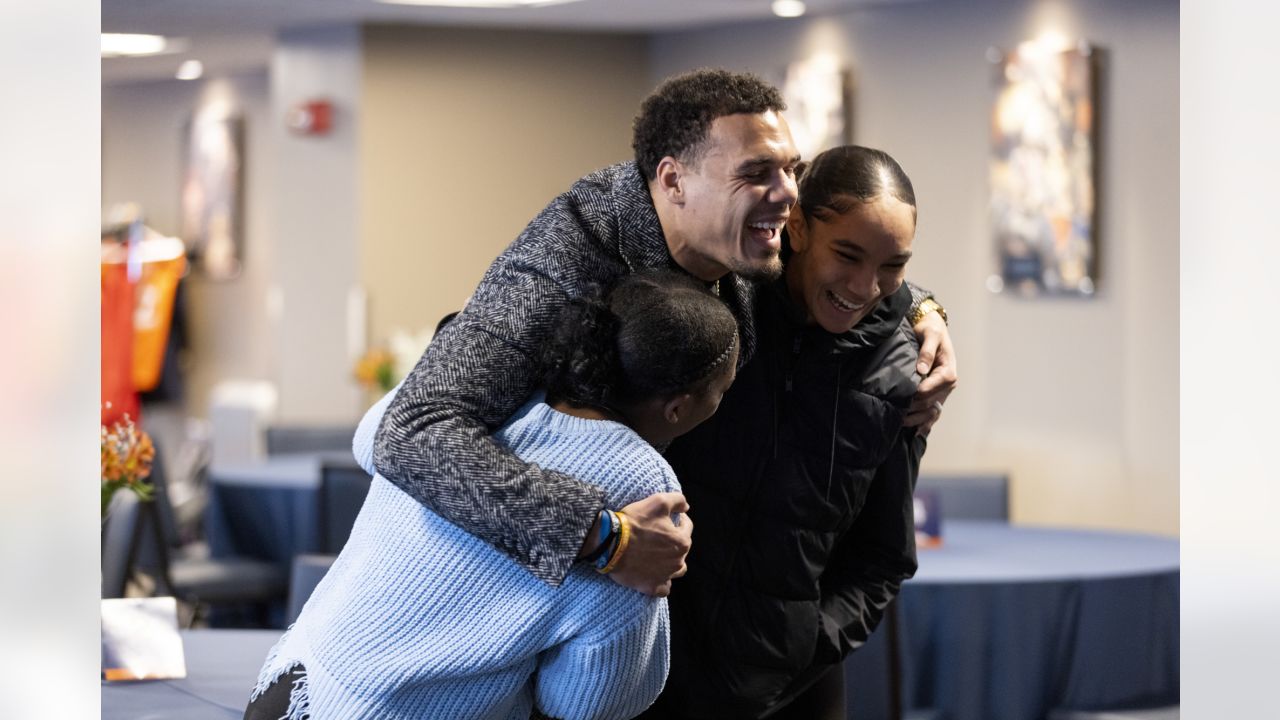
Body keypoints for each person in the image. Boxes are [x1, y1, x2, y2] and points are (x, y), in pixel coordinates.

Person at [372, 68, 958, 597]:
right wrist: (603, 537)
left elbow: (855, 264)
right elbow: (409, 433)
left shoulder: (749, 243)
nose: (787, 195)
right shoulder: (566, 260)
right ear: (674, 181)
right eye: (757, 173)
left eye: (791, 170)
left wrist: (925, 311)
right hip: (482, 597)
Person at [244, 270, 740, 720]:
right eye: (723, 389)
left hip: (296, 684)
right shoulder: (643, 484)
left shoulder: (499, 388)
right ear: (677, 408)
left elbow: (372, 439)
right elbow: (590, 700)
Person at [639, 145, 930, 719]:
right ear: (795, 225)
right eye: (846, 254)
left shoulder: (907, 372)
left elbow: (883, 555)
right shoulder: (716, 307)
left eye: (893, 265)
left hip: (792, 686)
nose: (866, 284)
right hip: (656, 669)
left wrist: (809, 642)